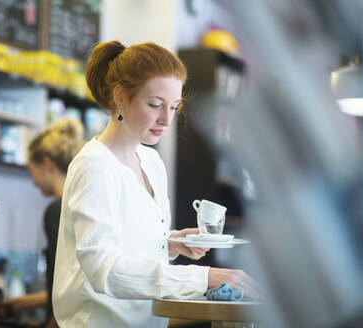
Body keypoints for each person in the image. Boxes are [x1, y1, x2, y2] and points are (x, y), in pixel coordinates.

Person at [53, 40, 260, 328]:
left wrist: (169, 243)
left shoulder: (151, 163)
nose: (166, 119)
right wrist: (203, 277)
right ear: (121, 96)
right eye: (155, 105)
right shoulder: (95, 166)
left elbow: (126, 241)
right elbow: (104, 268)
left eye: (174, 107)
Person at [2, 118, 85, 328]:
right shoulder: (81, 203)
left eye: (32, 171)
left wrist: (51, 324)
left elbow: (71, 288)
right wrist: (23, 302)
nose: (34, 182)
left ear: (47, 164)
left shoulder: (58, 210)